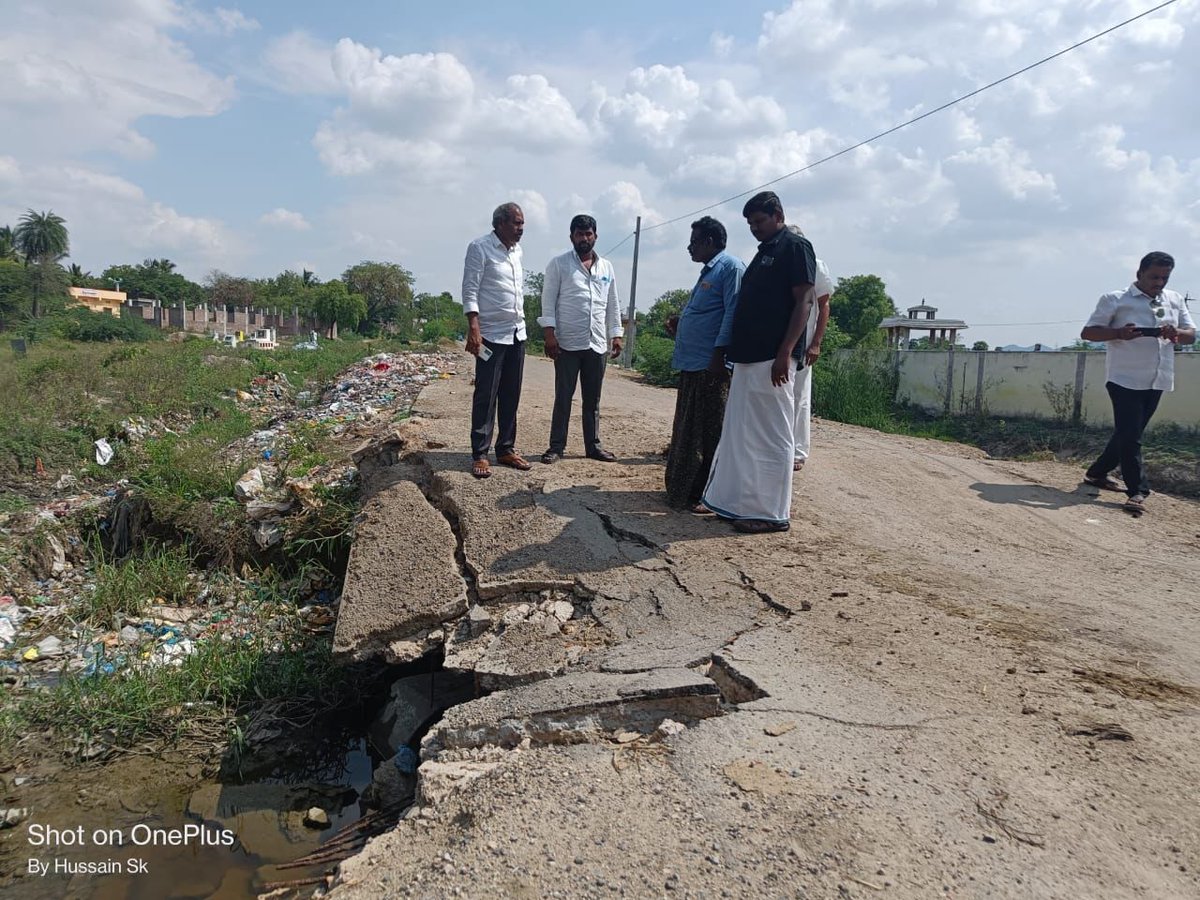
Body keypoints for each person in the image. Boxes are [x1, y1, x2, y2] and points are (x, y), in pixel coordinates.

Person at [701, 192, 816, 533]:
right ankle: (738, 504)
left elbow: (805, 302)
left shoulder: (795, 246)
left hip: (773, 358)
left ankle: (770, 512)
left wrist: (785, 353)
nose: (754, 228)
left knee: (772, 435)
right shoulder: (765, 251)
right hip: (749, 357)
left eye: (760, 221)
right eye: (750, 224)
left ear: (778, 214)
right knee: (743, 433)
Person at [1080, 251, 1194, 515]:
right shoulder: (1115, 299)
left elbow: (1191, 336)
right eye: (1154, 276)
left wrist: (1175, 333)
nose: (1159, 282)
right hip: (1124, 378)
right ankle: (1138, 491)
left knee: (1127, 433)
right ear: (1139, 273)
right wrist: (1120, 333)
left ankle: (1097, 473)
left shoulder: (1174, 300)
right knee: (1132, 436)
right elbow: (1089, 332)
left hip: (1157, 378)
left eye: (1164, 277)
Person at [663, 216, 745, 511]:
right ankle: (684, 489)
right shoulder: (710, 270)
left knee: (709, 432)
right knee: (689, 428)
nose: (689, 248)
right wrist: (681, 323)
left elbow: (732, 315)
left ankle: (707, 493)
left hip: (710, 366)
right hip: (692, 364)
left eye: (694, 242)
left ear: (710, 241)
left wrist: (718, 356)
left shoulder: (730, 268)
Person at [538, 214, 624, 464]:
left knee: (593, 399)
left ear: (595, 236)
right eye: (579, 234)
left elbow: (612, 303)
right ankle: (556, 447)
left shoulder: (606, 267)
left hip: (596, 343)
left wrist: (615, 334)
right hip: (567, 343)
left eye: (588, 234)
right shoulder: (559, 264)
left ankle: (593, 446)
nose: (584, 238)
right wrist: (549, 334)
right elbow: (548, 300)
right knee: (563, 396)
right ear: (571, 237)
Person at [462, 202, 532, 479]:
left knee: (511, 394)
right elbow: (470, 289)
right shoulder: (480, 248)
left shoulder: (517, 251)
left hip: (517, 332)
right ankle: (480, 453)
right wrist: (473, 327)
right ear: (500, 223)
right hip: (490, 333)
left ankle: (505, 448)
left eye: (522, 223)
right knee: (486, 395)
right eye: (516, 223)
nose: (521, 229)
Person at [786, 225, 834, 472]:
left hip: (804, 342)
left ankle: (798, 451)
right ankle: (783, 446)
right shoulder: (783, 264)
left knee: (800, 395)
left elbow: (824, 305)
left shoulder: (816, 265)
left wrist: (816, 342)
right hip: (784, 339)